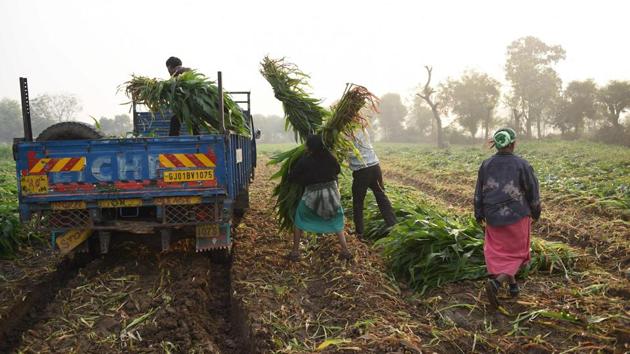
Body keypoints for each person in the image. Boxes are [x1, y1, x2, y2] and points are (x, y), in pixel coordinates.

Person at [474, 128, 541, 308]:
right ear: (513, 143)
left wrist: (479, 214)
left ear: (496, 145)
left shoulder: (486, 164)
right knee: (517, 253)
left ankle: (513, 286)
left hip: (493, 216)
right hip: (516, 215)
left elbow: (479, 191)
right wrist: (536, 212)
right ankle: (496, 283)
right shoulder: (522, 165)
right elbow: (532, 191)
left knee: (500, 252)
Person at [286, 135, 352, 261]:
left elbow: (292, 177)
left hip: (313, 195)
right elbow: (337, 170)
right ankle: (345, 251)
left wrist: (302, 179)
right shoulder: (330, 156)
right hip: (332, 194)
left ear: (310, 146)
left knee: (299, 218)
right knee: (337, 219)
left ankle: (295, 252)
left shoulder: (305, 160)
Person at [348, 129, 396, 238]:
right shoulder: (362, 128)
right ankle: (393, 226)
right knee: (381, 196)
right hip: (375, 166)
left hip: (362, 171)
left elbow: (345, 149)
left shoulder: (346, 133)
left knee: (358, 202)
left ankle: (359, 232)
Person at [165, 56, 193, 136]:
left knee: (175, 120)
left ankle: (172, 143)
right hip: (187, 106)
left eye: (168, 69)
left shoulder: (178, 72)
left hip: (190, 106)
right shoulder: (184, 73)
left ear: (170, 67)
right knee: (176, 120)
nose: (169, 72)